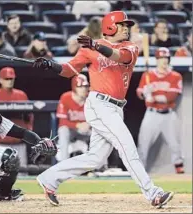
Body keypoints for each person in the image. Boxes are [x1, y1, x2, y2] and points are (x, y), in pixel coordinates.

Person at [32, 11, 174, 208]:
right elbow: (69, 70)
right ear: (110, 26)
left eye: (127, 25)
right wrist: (50, 65)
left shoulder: (130, 47)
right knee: (127, 147)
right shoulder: (89, 49)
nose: (126, 28)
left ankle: (49, 178)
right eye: (122, 25)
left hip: (116, 108)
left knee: (96, 158)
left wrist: (96, 45)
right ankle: (153, 193)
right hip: (99, 104)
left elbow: (119, 56)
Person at [136, 47, 184, 174]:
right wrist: (145, 93)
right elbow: (139, 92)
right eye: (161, 58)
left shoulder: (175, 76)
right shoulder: (148, 75)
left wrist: (154, 96)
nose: (164, 61)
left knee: (175, 145)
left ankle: (180, 171)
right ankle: (140, 172)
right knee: (143, 144)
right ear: (156, 60)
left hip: (168, 115)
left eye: (166, 58)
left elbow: (170, 97)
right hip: (151, 114)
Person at [0, 67, 34, 169]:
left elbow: (29, 116)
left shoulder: (21, 95)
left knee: (21, 173)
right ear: (0, 80)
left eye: (11, 79)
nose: (9, 81)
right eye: (6, 79)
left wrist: (28, 130)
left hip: (19, 143)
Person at [55, 74, 90, 162]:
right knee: (63, 130)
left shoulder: (92, 98)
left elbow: (100, 119)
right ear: (74, 87)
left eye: (86, 86)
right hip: (72, 130)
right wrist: (77, 125)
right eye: (80, 86)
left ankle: (101, 167)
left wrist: (89, 124)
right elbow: (62, 122)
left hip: (88, 130)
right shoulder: (66, 97)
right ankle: (64, 164)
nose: (84, 89)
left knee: (102, 132)